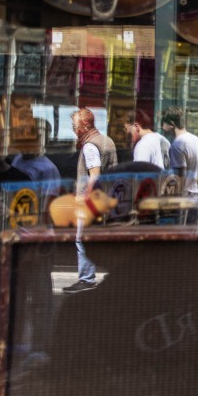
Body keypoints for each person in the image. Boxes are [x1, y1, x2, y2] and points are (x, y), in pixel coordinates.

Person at [66, 107, 116, 293]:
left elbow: (94, 176)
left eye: (74, 126)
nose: (73, 129)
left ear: (85, 126)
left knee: (81, 239)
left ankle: (86, 279)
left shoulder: (89, 146)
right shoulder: (107, 140)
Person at [162, 109, 198, 199]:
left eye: (163, 124)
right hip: (195, 194)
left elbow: (179, 178)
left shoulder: (177, 144)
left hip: (184, 198)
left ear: (172, 124)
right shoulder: (195, 139)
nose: (162, 128)